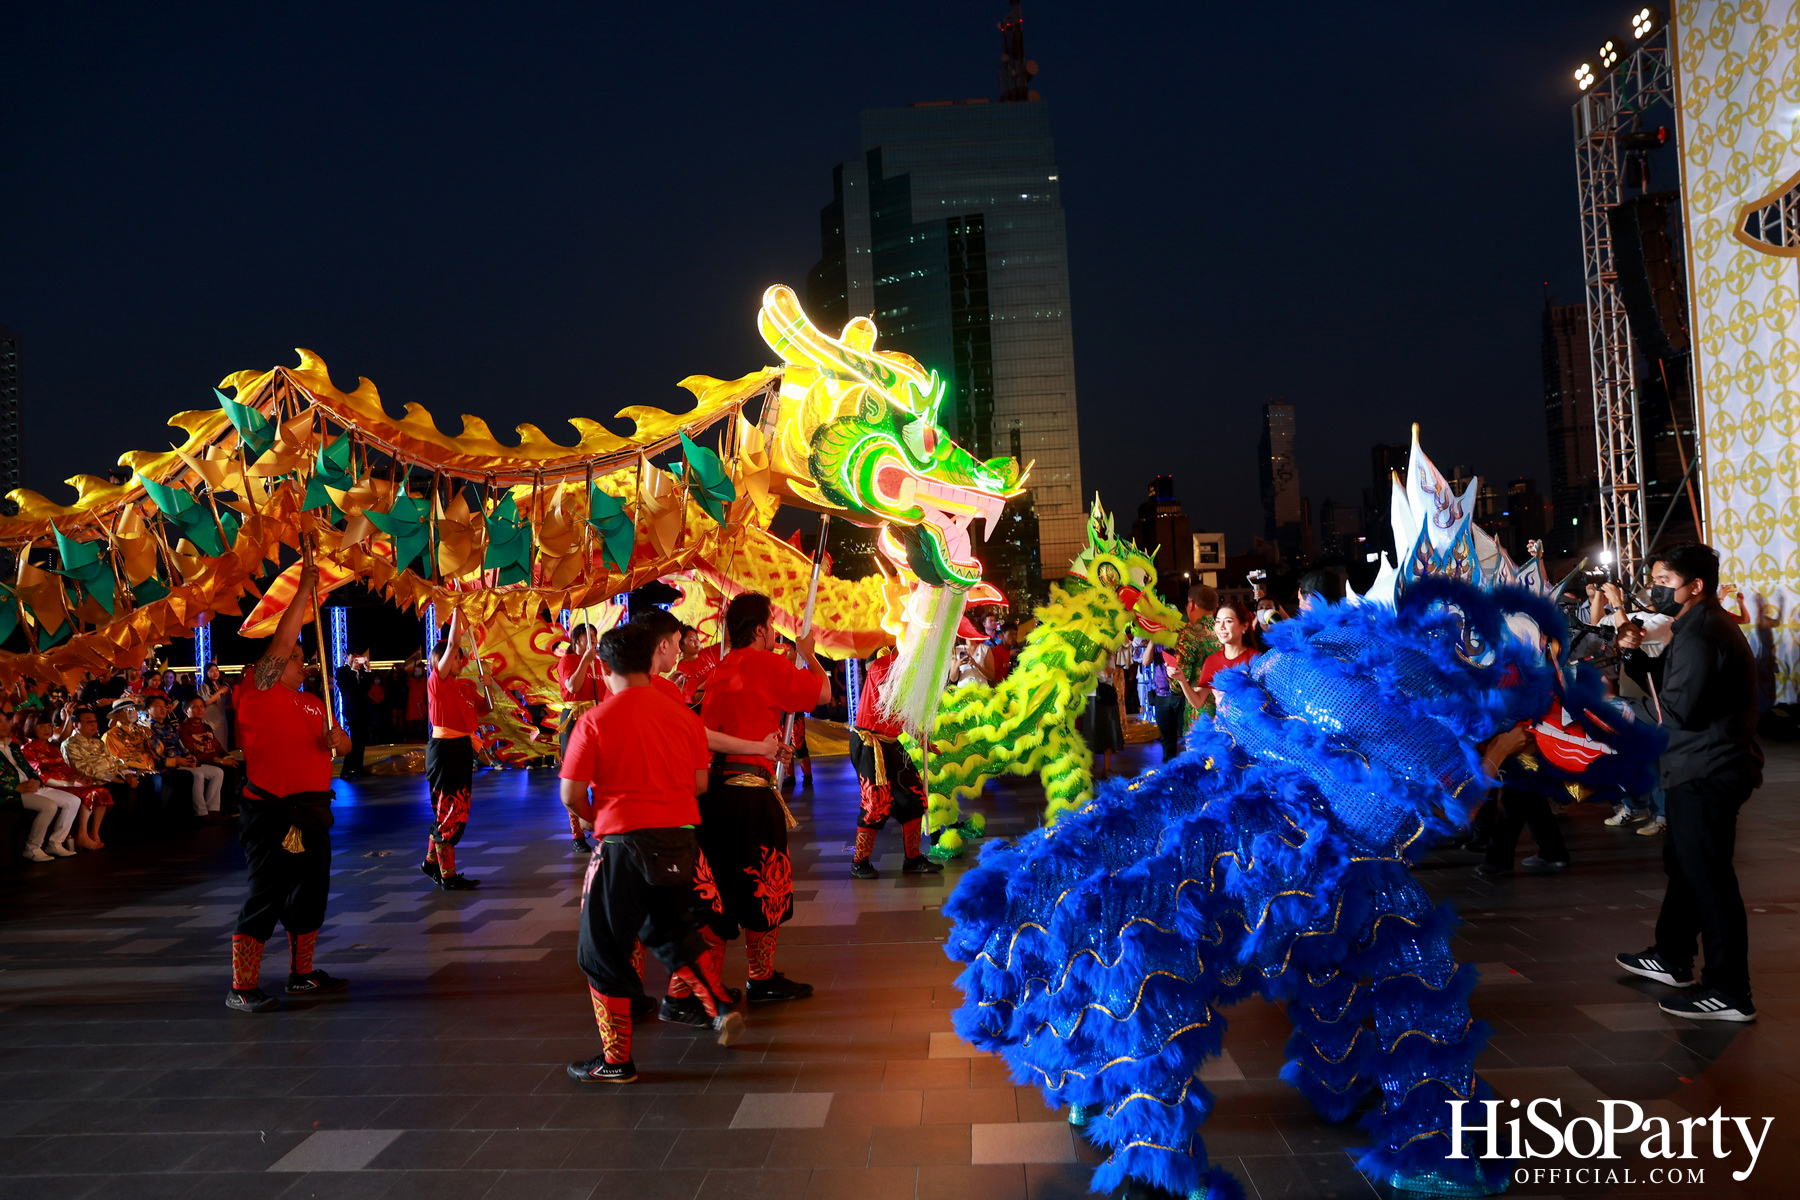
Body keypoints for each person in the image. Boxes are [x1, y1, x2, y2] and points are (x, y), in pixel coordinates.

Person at [559, 623, 746, 1083]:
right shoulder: (682, 717)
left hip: (622, 843)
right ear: (651, 662)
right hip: (679, 840)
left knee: (600, 950)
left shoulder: (596, 720)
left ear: (604, 668)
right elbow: (701, 783)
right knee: (670, 931)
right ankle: (717, 1003)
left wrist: (598, 815)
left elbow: (570, 794)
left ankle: (616, 1059)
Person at [1614, 543, 1764, 1023]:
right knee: (1684, 863)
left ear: (1695, 585)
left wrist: (1624, 715)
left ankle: (1729, 990)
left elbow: (1678, 710)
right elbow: (1674, 684)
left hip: (1706, 769)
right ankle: (1673, 955)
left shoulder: (1704, 634)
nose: (1657, 591)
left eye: (1664, 582)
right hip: (1696, 765)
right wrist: (1637, 664)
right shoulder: (1696, 628)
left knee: (1710, 879)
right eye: (1655, 581)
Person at [227, 563, 353, 1013]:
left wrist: (343, 743)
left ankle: (302, 975)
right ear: (273, 665)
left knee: (312, 892)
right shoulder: (257, 692)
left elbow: (336, 748)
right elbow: (281, 642)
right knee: (267, 893)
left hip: (313, 811)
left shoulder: (314, 703)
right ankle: (243, 986)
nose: (305, 662)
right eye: (299, 658)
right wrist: (304, 592)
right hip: (271, 812)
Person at [695, 593, 830, 1004]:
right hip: (750, 798)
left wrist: (763, 748)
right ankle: (760, 976)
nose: (774, 631)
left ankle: (703, 987)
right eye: (771, 623)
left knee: (717, 891)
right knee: (765, 887)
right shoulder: (767, 664)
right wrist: (808, 654)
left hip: (713, 795)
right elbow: (823, 694)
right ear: (758, 629)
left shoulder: (720, 668)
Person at [848, 647, 941, 880]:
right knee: (876, 802)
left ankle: (913, 858)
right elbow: (890, 701)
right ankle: (859, 861)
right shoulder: (885, 665)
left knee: (915, 795)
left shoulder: (910, 671)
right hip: (870, 742)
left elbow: (903, 716)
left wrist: (921, 738)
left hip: (891, 741)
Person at [423, 609, 491, 891]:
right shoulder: (436, 683)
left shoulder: (464, 686)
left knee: (457, 808)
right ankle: (447, 875)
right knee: (450, 810)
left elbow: (485, 710)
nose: (460, 659)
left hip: (462, 747)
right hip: (445, 750)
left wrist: (488, 688)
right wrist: (457, 611)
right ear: (441, 661)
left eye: (461, 657)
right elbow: (451, 644)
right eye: (455, 656)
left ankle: (431, 862)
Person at [24, 708, 112, 849]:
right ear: (31, 728)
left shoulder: (53, 748)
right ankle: (81, 835)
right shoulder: (27, 749)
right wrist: (69, 783)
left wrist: (79, 778)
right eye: (41, 726)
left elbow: (66, 768)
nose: (46, 730)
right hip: (51, 785)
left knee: (102, 791)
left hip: (67, 782)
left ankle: (94, 833)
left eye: (49, 726)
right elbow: (39, 775)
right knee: (91, 792)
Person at [1, 715, 82, 861]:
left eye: (5, 721)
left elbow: (30, 770)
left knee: (73, 801)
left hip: (31, 786)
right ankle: (32, 848)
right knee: (49, 806)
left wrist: (36, 781)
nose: (5, 724)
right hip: (11, 792)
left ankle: (55, 843)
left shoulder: (12, 747)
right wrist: (16, 787)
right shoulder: (25, 747)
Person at [557, 623, 608, 850]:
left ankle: (600, 822)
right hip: (575, 718)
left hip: (597, 717)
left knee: (601, 770)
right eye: (589, 636)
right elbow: (573, 687)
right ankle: (577, 834)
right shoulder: (567, 661)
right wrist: (585, 660)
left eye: (596, 636)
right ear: (577, 640)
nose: (594, 640)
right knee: (575, 773)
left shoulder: (600, 662)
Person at [63, 707, 154, 835]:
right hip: (95, 781)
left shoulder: (97, 742)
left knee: (147, 783)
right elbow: (83, 769)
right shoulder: (70, 744)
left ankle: (148, 829)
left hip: (113, 776)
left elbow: (115, 760)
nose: (93, 724)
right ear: (76, 725)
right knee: (121, 790)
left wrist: (127, 774)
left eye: (95, 721)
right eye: (89, 722)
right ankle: (122, 833)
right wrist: (112, 777)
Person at [1177, 600, 1256, 720]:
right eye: (1218, 621)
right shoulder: (1212, 661)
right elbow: (1198, 701)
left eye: (1228, 621)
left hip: (1251, 731)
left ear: (1244, 626)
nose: (1221, 627)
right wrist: (1181, 679)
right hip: (1222, 731)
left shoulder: (1256, 659)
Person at [147, 694, 222, 818]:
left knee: (217, 772)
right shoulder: (148, 729)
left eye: (164, 706)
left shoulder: (170, 727)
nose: (162, 709)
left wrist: (190, 757)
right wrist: (177, 761)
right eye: (157, 706)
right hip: (165, 765)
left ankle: (213, 809)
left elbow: (181, 746)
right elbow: (154, 755)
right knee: (197, 774)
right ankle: (201, 813)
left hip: (181, 761)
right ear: (147, 710)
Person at [1168, 584, 1220, 736]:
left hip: (1199, 710)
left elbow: (1178, 682)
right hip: (1225, 709)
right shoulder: (1224, 632)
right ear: (1215, 608)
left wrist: (1172, 677)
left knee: (1199, 757)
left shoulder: (1190, 635)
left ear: (1191, 605)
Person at [182, 698, 242, 812]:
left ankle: (239, 803)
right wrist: (221, 761)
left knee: (239, 765)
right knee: (229, 771)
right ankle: (227, 808)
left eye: (202, 706)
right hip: (204, 761)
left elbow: (217, 746)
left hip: (215, 758)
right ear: (186, 711)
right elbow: (194, 752)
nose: (199, 709)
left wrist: (228, 757)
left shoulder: (206, 727)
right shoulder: (183, 729)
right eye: (195, 706)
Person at [333, 649, 376, 778]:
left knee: (361, 740)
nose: (357, 659)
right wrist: (352, 669)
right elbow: (347, 687)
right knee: (354, 740)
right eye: (354, 656)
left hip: (363, 711)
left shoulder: (361, 672)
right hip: (351, 711)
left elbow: (366, 687)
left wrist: (367, 670)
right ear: (347, 657)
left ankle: (357, 768)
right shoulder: (342, 671)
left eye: (359, 656)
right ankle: (346, 770)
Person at [1139, 639, 1181, 761]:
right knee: (1167, 739)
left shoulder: (1183, 637)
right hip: (1162, 694)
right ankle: (1169, 770)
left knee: (1186, 734)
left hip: (1181, 693)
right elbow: (1146, 661)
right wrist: (1153, 640)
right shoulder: (1157, 641)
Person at [1086, 658, 1125, 777]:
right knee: (1089, 732)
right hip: (1088, 694)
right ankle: (1088, 768)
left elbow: (1107, 672)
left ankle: (1107, 768)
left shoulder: (1106, 653)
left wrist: (1094, 662)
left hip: (1104, 695)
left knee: (1109, 731)